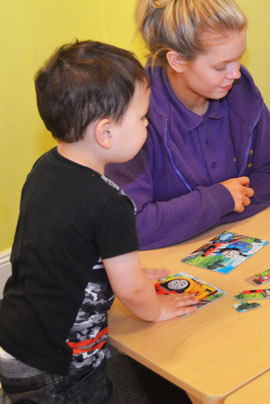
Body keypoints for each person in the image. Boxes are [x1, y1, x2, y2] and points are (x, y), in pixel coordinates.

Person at [0, 40, 198, 404]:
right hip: (61, 363)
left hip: (15, 338)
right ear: (106, 133)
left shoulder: (45, 168)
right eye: (142, 118)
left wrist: (125, 269)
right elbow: (132, 293)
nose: (147, 125)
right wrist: (157, 309)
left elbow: (62, 248)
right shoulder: (111, 202)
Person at [106, 0, 270, 250]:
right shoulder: (134, 114)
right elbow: (130, 225)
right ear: (177, 61)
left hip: (232, 239)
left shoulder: (238, 89)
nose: (235, 73)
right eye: (220, 66)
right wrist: (219, 201)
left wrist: (194, 219)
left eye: (239, 58)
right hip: (163, 258)